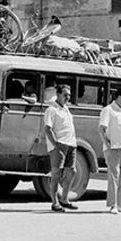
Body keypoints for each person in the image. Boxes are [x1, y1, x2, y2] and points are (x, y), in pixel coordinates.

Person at [43, 84, 78, 212]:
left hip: (71, 144)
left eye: (69, 95)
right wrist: (55, 144)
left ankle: (64, 198)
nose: (67, 97)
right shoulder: (52, 110)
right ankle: (55, 202)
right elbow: (48, 129)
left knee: (72, 171)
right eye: (65, 95)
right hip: (59, 145)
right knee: (56, 173)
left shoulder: (66, 109)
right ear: (58, 94)